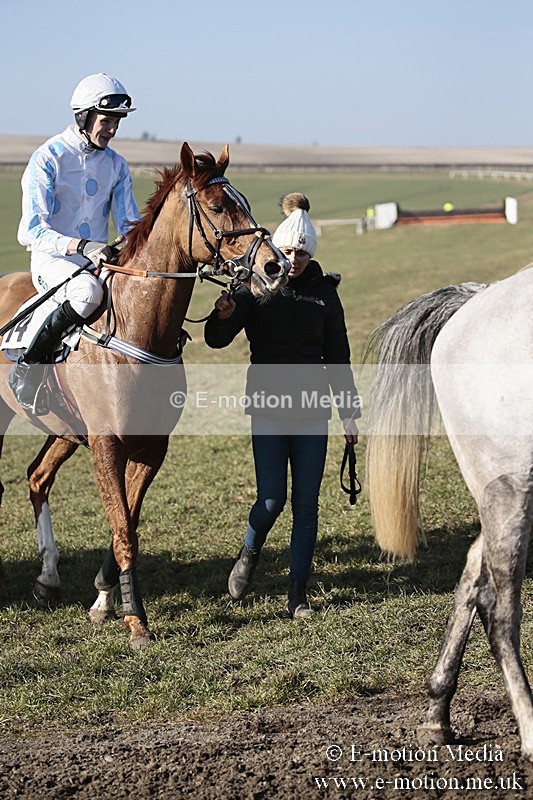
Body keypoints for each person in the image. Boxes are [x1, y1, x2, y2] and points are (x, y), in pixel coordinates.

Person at [204, 193, 360, 618]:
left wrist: (348, 412)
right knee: (271, 500)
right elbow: (216, 340)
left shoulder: (326, 295)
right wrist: (222, 314)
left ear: (311, 253)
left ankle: (298, 594)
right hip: (269, 408)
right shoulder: (254, 288)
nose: (294, 259)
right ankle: (249, 553)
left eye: (302, 252)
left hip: (312, 413)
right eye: (288, 250)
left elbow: (339, 357)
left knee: (306, 506)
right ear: (278, 247)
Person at [8, 72, 140, 412]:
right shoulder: (48, 157)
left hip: (95, 261)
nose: (112, 130)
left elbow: (128, 223)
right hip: (51, 261)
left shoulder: (117, 165)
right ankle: (28, 369)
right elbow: (31, 230)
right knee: (87, 293)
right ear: (83, 116)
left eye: (116, 122)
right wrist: (81, 247)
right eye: (107, 121)